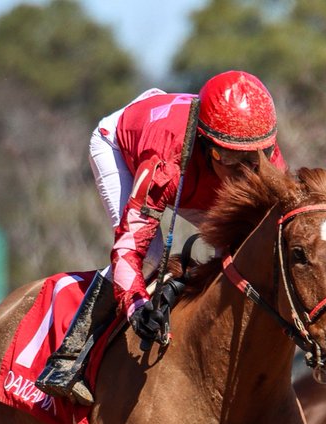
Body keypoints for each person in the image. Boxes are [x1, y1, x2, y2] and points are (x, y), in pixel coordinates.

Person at [37, 70, 289, 403]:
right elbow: (129, 248)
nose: (244, 172)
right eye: (229, 158)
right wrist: (136, 306)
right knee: (151, 256)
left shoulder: (265, 158)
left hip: (193, 163)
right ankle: (69, 357)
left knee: (246, 247)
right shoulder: (165, 162)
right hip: (123, 145)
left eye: (254, 159)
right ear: (206, 144)